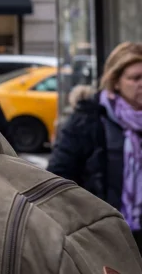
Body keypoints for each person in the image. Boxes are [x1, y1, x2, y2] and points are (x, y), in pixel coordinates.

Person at [49, 41, 142, 248]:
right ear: (115, 82)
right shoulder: (87, 121)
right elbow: (58, 179)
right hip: (103, 238)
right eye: (135, 78)